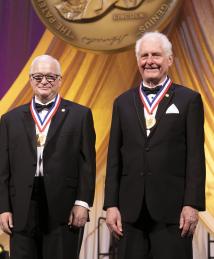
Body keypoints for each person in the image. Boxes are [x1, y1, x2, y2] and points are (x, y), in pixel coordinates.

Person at [103, 31, 205, 259]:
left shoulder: (189, 100)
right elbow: (114, 159)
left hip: (173, 211)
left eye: (156, 55)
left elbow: (195, 157)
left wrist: (192, 204)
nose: (149, 61)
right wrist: (110, 205)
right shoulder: (122, 103)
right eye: (144, 55)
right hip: (130, 211)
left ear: (169, 60)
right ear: (138, 60)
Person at [0, 55, 96, 259]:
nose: (44, 81)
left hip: (64, 207)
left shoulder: (80, 115)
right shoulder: (10, 119)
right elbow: (3, 169)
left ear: (60, 80)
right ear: (30, 79)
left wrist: (82, 202)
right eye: (38, 77)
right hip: (22, 207)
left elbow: (87, 163)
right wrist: (3, 208)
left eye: (51, 77)